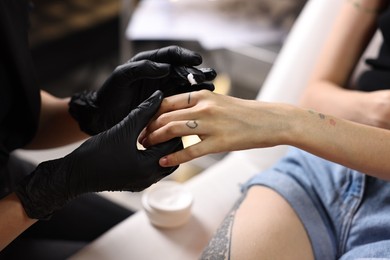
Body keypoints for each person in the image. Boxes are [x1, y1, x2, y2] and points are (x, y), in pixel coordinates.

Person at [140, 0, 390, 258]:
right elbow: (315, 97)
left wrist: (285, 121)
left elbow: (305, 114)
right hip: (324, 165)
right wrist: (378, 109)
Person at [0, 1, 216, 259]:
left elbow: (11, 115)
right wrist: (51, 189)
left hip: (7, 177)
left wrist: (93, 112)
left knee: (151, 239)